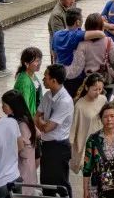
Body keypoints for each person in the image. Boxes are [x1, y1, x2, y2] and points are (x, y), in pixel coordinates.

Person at [35, 64, 74, 197]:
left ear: (54, 80)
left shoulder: (64, 101)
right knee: (46, 181)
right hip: (47, 146)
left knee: (60, 183)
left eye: (45, 76)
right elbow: (36, 116)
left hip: (58, 147)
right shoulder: (47, 95)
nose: (43, 79)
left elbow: (47, 128)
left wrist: (42, 124)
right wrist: (42, 124)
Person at [70, 74, 108, 174]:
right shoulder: (79, 106)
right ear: (87, 87)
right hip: (87, 146)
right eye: (95, 89)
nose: (98, 92)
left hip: (103, 143)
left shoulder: (103, 99)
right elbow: (73, 128)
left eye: (100, 89)